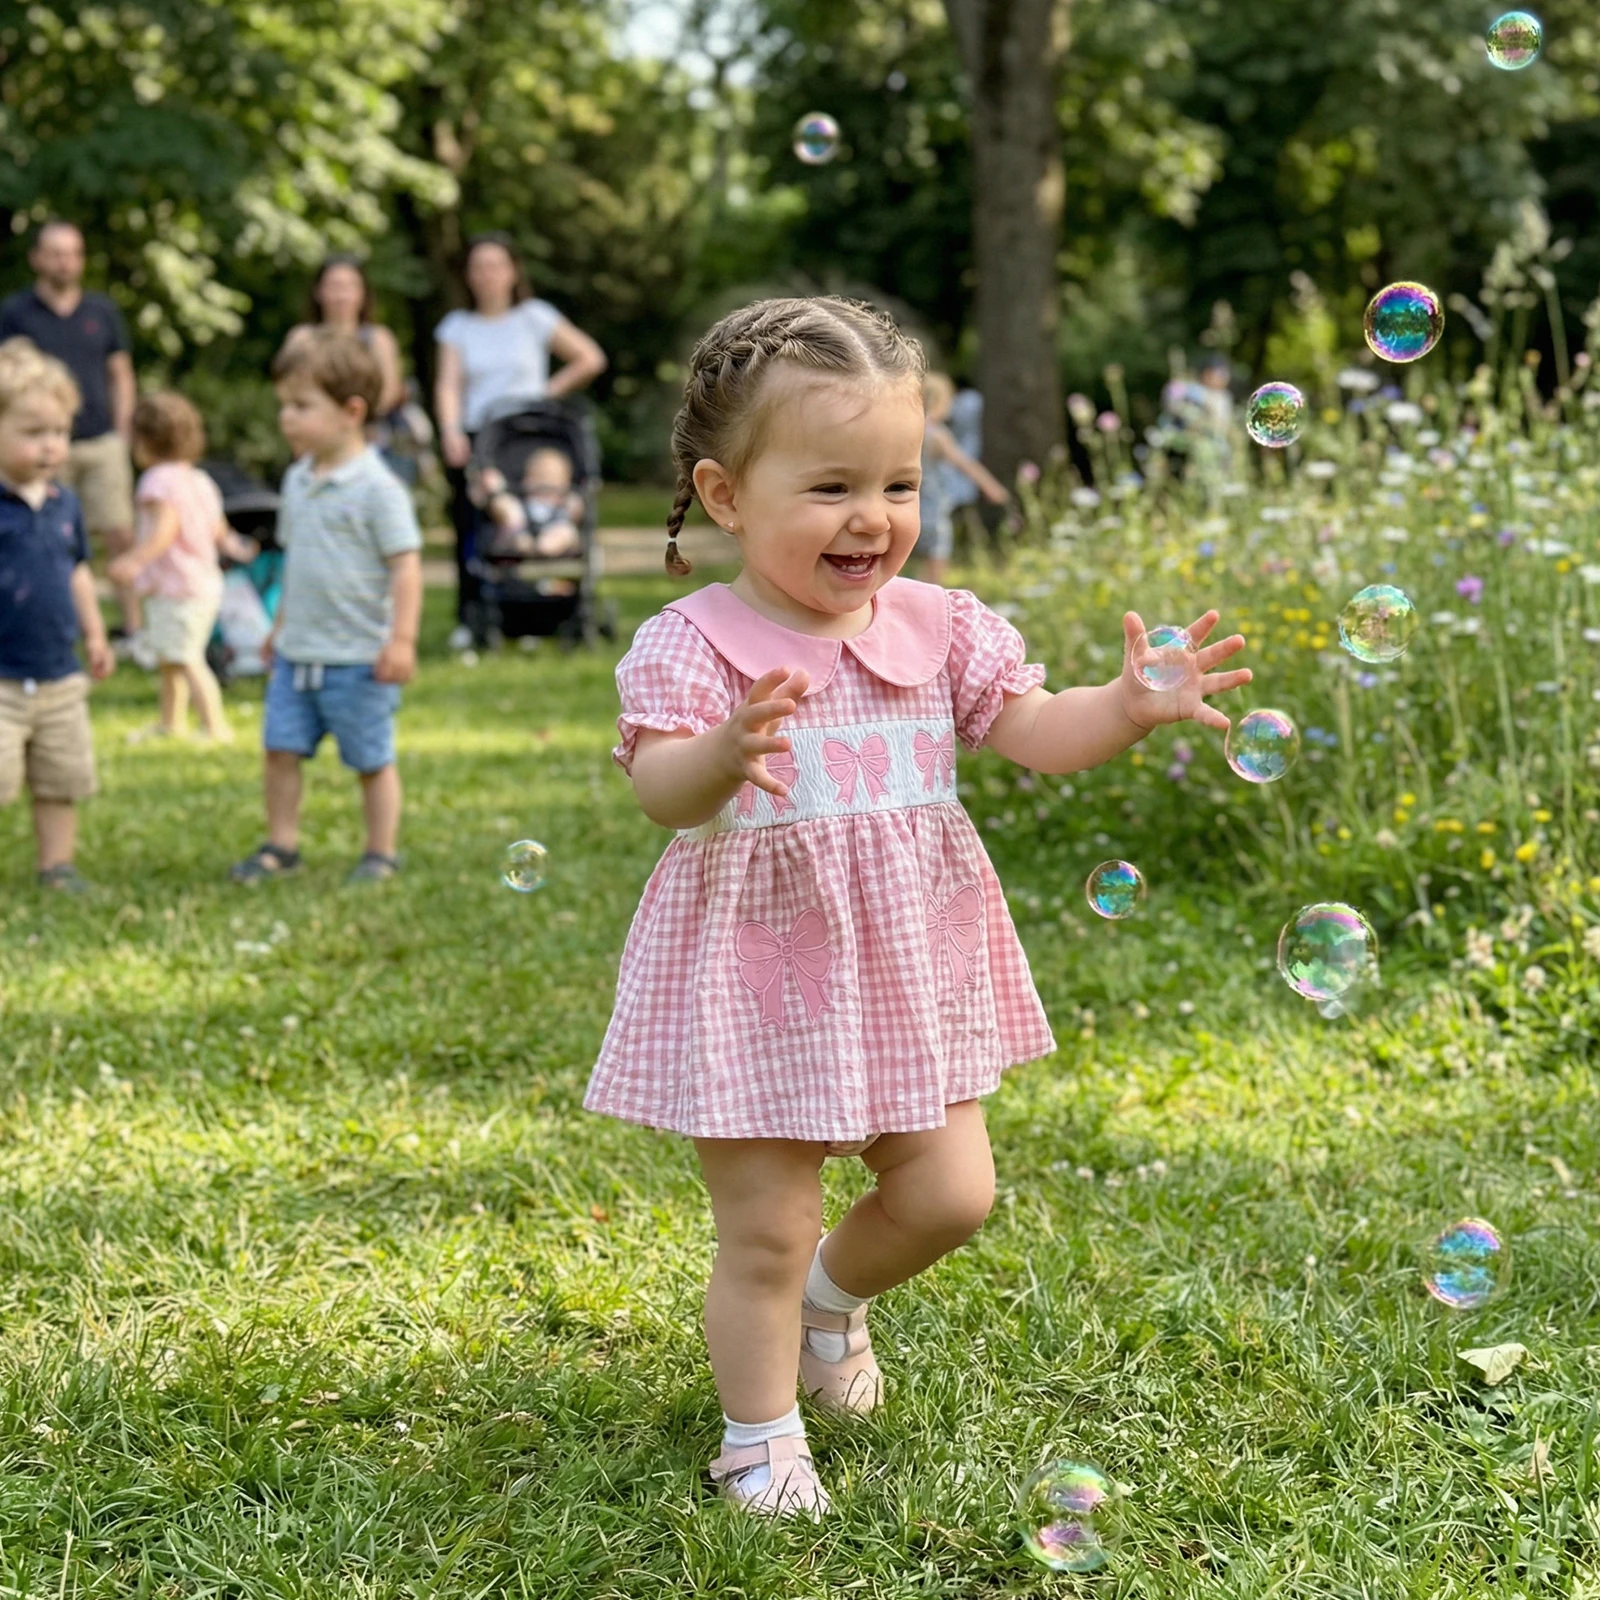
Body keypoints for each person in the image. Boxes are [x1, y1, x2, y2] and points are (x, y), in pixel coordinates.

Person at [584, 295, 1251, 1518]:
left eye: (898, 485)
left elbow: (1037, 732)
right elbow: (658, 790)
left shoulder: (942, 627)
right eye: (832, 486)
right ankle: (758, 1433)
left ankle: (834, 1304)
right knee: (766, 1232)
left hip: (905, 976)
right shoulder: (696, 644)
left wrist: (1126, 703)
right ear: (727, 495)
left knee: (952, 1193)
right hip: (759, 976)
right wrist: (720, 752)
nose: (874, 518)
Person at [229, 330, 422, 887]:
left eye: (301, 406)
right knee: (279, 751)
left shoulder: (377, 489)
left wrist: (402, 640)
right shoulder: (295, 479)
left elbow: (405, 566)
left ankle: (380, 851)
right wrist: (279, 625)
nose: (286, 418)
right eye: (284, 405)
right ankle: (281, 844)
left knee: (370, 760)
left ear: (350, 412)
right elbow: (296, 561)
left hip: (358, 658)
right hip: (297, 655)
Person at [433, 232, 606, 648]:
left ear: (512, 271)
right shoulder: (457, 327)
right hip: (480, 437)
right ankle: (473, 613)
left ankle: (540, 607)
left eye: (496, 265)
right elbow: (448, 385)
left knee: (538, 514)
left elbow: (589, 357)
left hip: (530, 436)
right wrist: (451, 431)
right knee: (475, 527)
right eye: (479, 267)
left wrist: (545, 395)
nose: (487, 275)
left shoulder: (535, 317)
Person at [0, 338, 115, 892]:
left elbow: (78, 574)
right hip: (1, 676)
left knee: (60, 778)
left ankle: (57, 865)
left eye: (59, 433)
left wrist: (95, 634)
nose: (50, 447)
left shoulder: (66, 503)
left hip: (58, 673)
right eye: (33, 433)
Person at [0, 220, 139, 650]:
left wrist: (123, 430)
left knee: (116, 532)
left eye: (73, 253)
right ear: (37, 258)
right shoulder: (16, 313)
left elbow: (121, 373)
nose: (65, 261)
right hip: (28, 444)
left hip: (98, 437)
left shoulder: (101, 311)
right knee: (40, 537)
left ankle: (132, 631)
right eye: (56, 252)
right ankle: (50, 627)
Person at [108, 393, 237, 743]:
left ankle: (215, 727)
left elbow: (166, 528)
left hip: (177, 586)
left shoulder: (157, 481)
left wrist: (135, 559)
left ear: (144, 440)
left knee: (187, 658)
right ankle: (171, 722)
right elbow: (218, 529)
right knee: (171, 658)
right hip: (203, 583)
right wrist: (238, 547)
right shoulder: (200, 480)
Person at [284, 254, 430, 482]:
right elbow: (291, 393)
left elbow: (386, 396)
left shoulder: (379, 339)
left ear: (363, 294)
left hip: (373, 444)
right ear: (318, 292)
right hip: (314, 440)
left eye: (350, 286)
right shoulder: (301, 339)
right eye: (334, 286)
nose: (342, 295)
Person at [917, 371, 1007, 585]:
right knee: (936, 567)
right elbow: (964, 464)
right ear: (940, 402)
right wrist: (991, 487)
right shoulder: (937, 435)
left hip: (909, 508)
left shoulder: (909, 432)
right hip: (934, 511)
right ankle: (929, 608)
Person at [473, 445, 584, 560]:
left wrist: (575, 500)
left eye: (550, 479)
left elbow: (576, 511)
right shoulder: (522, 499)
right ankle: (526, 545)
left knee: (567, 532)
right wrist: (497, 490)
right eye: (538, 477)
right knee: (510, 510)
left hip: (554, 528)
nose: (544, 485)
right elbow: (502, 506)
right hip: (522, 529)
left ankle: (544, 546)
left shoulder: (565, 501)